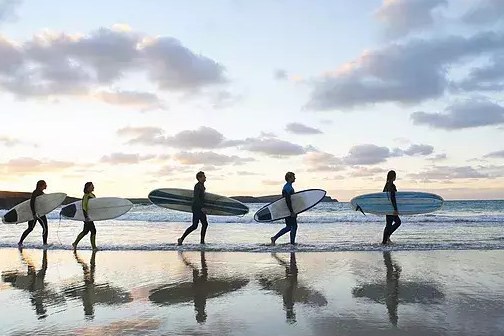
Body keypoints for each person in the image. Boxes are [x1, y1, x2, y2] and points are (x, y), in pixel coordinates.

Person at [177, 171, 209, 245]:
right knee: (195, 226)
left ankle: (202, 242)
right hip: (197, 208)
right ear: (199, 178)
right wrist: (202, 208)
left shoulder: (202, 186)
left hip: (199, 207)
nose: (205, 177)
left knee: (205, 224)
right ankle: (181, 239)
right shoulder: (198, 186)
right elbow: (197, 198)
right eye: (204, 176)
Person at [18, 180, 49, 247]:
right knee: (44, 228)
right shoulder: (36, 192)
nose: (46, 185)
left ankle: (20, 242)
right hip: (36, 213)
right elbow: (32, 203)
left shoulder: (41, 193)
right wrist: (34, 213)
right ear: (41, 185)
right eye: (45, 184)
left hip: (38, 213)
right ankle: (45, 244)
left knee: (30, 228)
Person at [270, 172, 297, 246]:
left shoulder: (288, 186)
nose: (295, 178)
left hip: (286, 209)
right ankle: (292, 243)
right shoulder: (288, 187)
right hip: (288, 210)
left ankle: (274, 238)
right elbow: (288, 200)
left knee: (289, 227)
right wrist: (291, 211)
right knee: (294, 226)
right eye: (293, 177)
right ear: (289, 178)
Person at [72, 182, 98, 251]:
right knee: (93, 230)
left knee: (85, 231)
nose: (93, 187)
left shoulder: (92, 195)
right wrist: (86, 217)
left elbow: (95, 206)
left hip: (90, 216)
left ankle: (75, 243)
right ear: (88, 187)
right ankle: (94, 247)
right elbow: (84, 206)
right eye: (92, 186)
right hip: (86, 216)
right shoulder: (86, 196)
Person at [382, 170, 401, 245]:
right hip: (391, 208)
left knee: (388, 224)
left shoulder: (386, 185)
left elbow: (384, 197)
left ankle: (385, 241)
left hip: (387, 208)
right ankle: (386, 239)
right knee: (398, 222)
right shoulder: (392, 186)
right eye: (395, 176)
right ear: (393, 177)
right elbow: (393, 198)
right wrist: (395, 209)